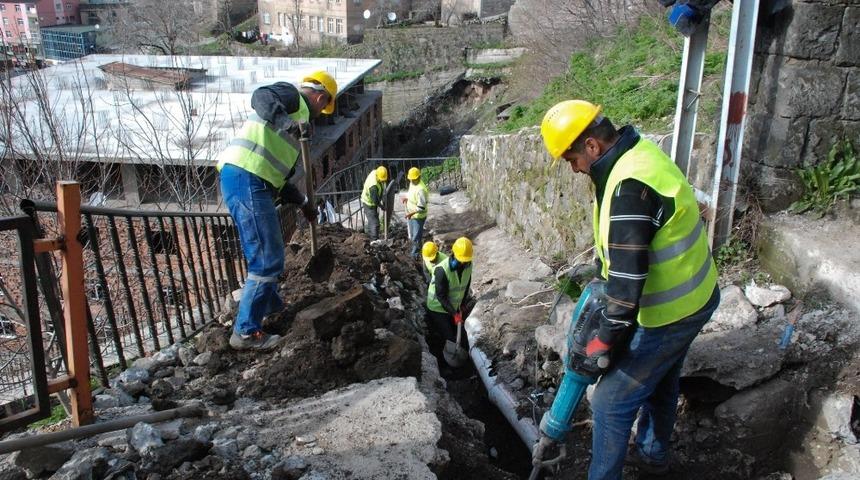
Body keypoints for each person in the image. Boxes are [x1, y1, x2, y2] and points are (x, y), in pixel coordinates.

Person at [537, 100, 720, 478]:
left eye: (572, 159)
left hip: (670, 311)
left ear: (591, 145)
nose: (573, 169)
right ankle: (653, 457)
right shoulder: (636, 152)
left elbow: (625, 294)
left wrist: (603, 343)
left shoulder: (627, 188)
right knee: (660, 377)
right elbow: (630, 247)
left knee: (610, 403)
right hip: (696, 294)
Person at [217, 71, 338, 351]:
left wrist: (304, 203)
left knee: (267, 254)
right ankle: (245, 332)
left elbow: (281, 180)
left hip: (255, 181)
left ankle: (269, 306)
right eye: (324, 108)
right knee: (267, 258)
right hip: (247, 177)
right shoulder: (291, 98)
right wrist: (288, 123)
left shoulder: (299, 128)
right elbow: (260, 96)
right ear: (321, 98)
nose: (321, 115)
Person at [425, 237, 474, 364]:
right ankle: (446, 363)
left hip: (454, 306)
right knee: (449, 338)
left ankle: (465, 359)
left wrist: (462, 305)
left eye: (466, 261)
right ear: (454, 254)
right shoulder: (442, 270)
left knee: (462, 336)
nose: (463, 263)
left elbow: (466, 284)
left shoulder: (468, 264)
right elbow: (441, 296)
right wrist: (454, 314)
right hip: (437, 307)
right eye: (461, 260)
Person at [404, 167, 430, 259]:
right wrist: (406, 198)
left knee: (416, 235)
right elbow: (410, 192)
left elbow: (421, 207)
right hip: (411, 214)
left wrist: (411, 214)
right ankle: (414, 250)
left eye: (413, 179)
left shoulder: (421, 190)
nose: (412, 181)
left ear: (418, 178)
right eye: (411, 179)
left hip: (418, 216)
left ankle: (415, 255)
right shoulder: (412, 183)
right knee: (412, 234)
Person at [360, 166, 388, 240]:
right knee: (375, 223)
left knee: (372, 221)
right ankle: (374, 240)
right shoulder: (373, 186)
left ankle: (371, 237)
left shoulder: (377, 172)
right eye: (382, 180)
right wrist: (382, 206)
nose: (383, 181)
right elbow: (375, 200)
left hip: (372, 201)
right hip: (369, 204)